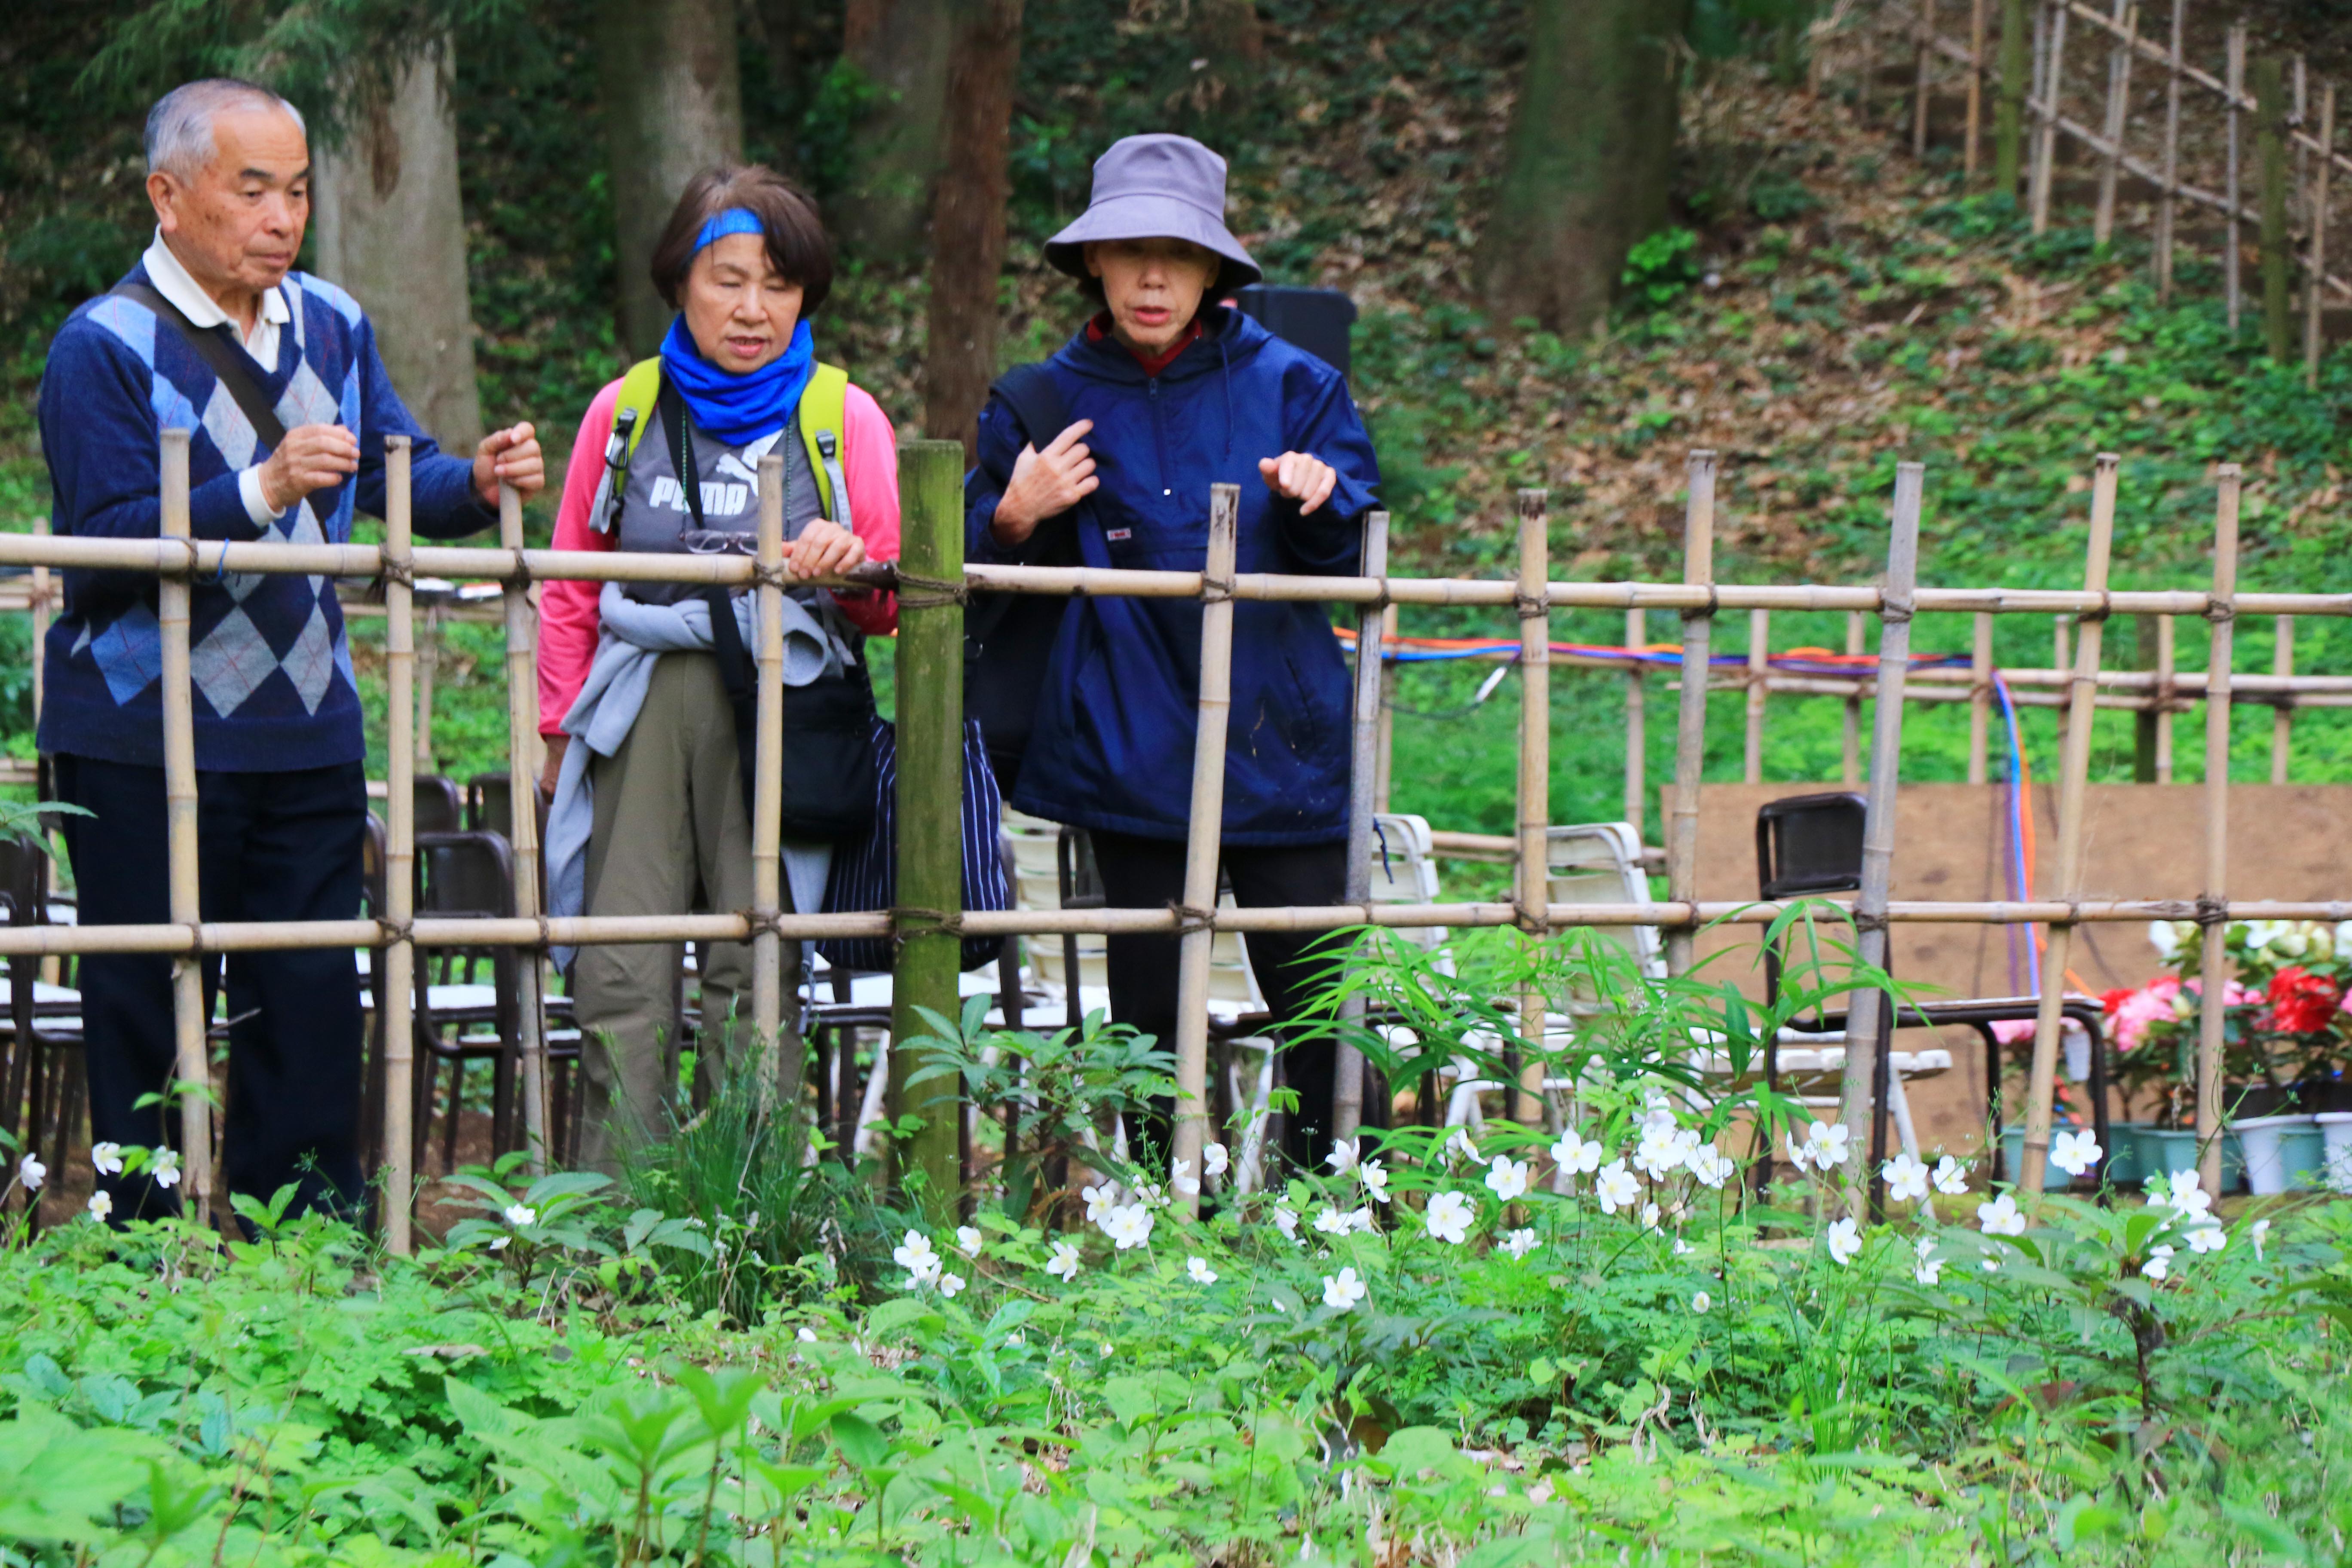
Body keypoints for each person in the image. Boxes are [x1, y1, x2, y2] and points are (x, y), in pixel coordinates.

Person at [38, 78, 543, 1222]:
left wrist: (481, 478)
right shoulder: (101, 347)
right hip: (140, 733)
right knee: (150, 994)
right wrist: (260, 489)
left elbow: (387, 471)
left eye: (298, 190)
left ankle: (304, 1248)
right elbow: (104, 549)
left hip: (307, 724)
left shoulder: (333, 321)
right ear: (168, 198)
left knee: (313, 990)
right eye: (251, 188)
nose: (281, 216)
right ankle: (144, 1256)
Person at [963, 134, 1381, 1171]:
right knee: (1149, 1022)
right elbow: (962, 567)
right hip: (1127, 742)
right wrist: (1012, 516)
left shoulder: (1299, 386)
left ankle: (1344, 1228)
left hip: (1282, 739)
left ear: (1215, 270)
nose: (1155, 278)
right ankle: (1158, 1233)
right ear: (1092, 264)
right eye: (1130, 250)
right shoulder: (1040, 400)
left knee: (1324, 1012)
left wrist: (1324, 505)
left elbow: (1357, 544)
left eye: (1179, 255)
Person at [537, 166, 900, 1172]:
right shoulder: (626, 411)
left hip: (782, 707)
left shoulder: (843, 418)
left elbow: (889, 602)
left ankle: (751, 1216)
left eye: (778, 285)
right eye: (726, 280)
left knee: (760, 963)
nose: (752, 310)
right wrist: (556, 738)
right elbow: (570, 585)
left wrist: (852, 562)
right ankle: (613, 1225)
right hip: (637, 700)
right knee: (621, 963)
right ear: (678, 286)